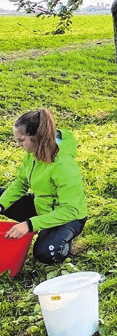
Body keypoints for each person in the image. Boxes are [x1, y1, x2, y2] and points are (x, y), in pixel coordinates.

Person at [0, 109, 87, 264]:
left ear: (37, 138)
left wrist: (30, 224)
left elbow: (70, 210)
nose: (18, 144)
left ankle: (61, 240)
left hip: (68, 216)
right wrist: (1, 205)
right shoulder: (32, 154)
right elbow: (21, 183)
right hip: (42, 206)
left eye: (21, 140)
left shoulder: (64, 166)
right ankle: (46, 231)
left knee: (45, 254)